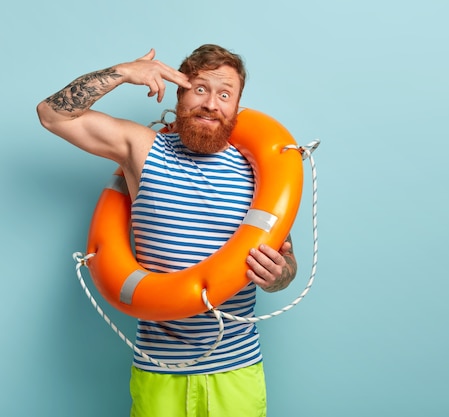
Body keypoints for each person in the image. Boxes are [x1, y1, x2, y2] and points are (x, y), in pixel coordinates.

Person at [37, 44, 298, 417]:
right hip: (160, 372)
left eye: (225, 94)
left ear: (237, 107)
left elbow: (287, 265)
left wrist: (278, 277)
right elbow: (52, 115)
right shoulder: (143, 150)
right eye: (200, 88)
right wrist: (123, 72)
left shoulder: (258, 172)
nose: (211, 103)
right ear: (179, 92)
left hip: (236, 371)